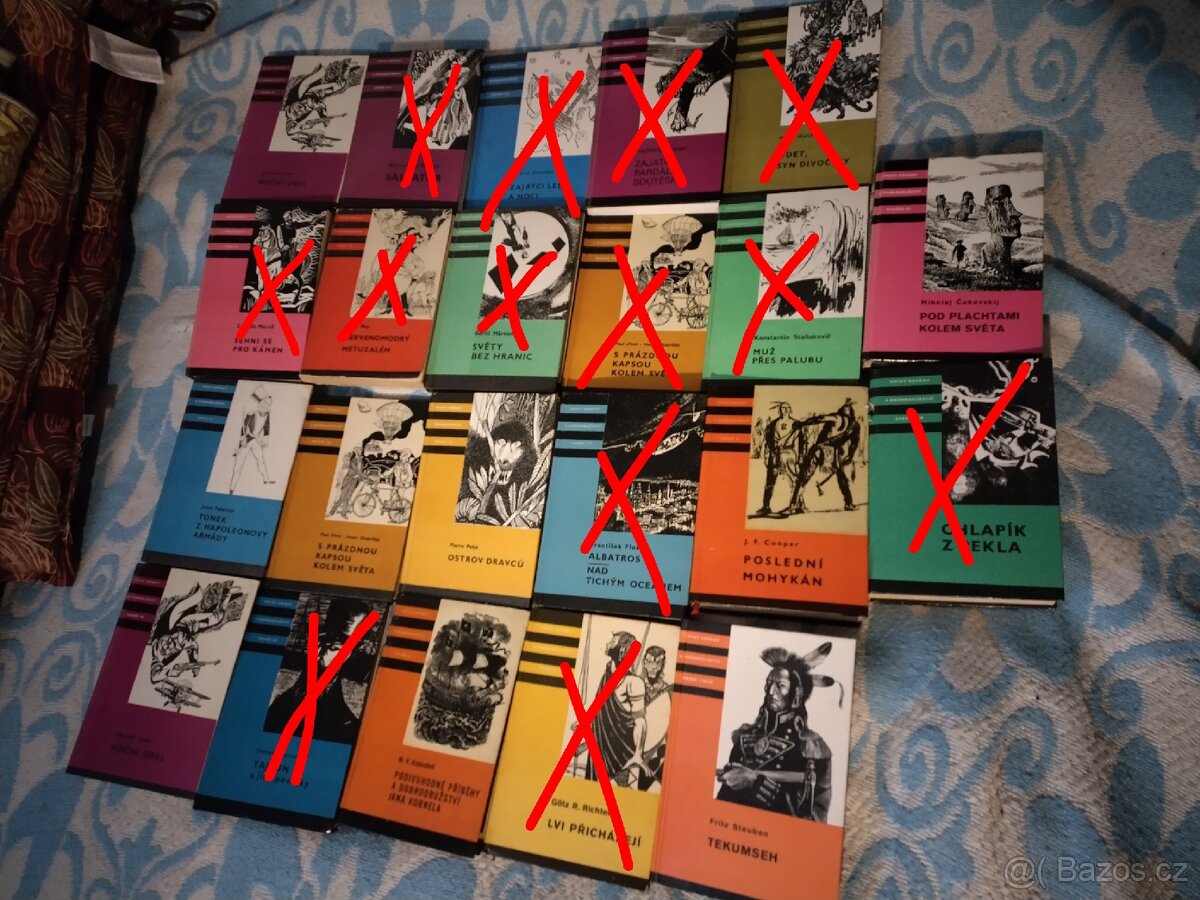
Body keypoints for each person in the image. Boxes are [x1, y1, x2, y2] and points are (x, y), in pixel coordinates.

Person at [716, 643, 843, 822]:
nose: (770, 691)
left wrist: (756, 782)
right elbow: (723, 805)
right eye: (769, 684)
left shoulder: (811, 747)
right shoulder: (744, 738)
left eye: (780, 685)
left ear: (796, 694)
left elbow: (813, 818)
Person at [263, 600, 374, 745]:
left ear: (354, 650)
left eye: (336, 644)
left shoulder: (345, 725)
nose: (322, 652)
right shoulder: (281, 705)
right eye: (322, 639)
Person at [786, 398, 860, 514]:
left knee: (841, 478)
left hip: (831, 452)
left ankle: (848, 503)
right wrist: (802, 423)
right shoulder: (838, 419)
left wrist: (850, 456)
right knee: (804, 476)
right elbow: (819, 419)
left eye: (847, 411)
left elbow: (854, 442)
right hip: (820, 449)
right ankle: (793, 504)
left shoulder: (854, 426)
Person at [755, 401, 802, 517]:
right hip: (775, 454)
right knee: (770, 481)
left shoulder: (796, 424)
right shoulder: (773, 424)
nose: (784, 410)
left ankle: (798, 505)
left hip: (789, 454)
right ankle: (766, 507)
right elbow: (768, 441)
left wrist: (800, 456)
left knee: (793, 480)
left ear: (790, 410)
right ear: (779, 410)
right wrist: (767, 454)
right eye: (782, 408)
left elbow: (801, 442)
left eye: (787, 408)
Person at [230, 387, 273, 493]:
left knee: (260, 460)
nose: (264, 406)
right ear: (260, 404)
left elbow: (266, 429)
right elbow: (244, 429)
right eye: (263, 403)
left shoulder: (267, 416)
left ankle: (266, 479)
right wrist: (243, 440)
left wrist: (264, 440)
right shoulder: (251, 413)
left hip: (256, 440)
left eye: (267, 405)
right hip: (247, 439)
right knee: (238, 464)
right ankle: (232, 487)